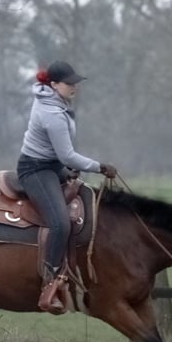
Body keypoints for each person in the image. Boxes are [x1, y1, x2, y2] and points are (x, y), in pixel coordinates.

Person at [17, 60, 117, 314]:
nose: (74, 87)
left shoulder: (55, 103)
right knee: (60, 222)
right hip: (37, 169)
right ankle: (49, 282)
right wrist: (100, 166)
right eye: (69, 83)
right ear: (53, 84)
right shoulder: (51, 113)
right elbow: (68, 156)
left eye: (75, 83)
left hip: (50, 165)